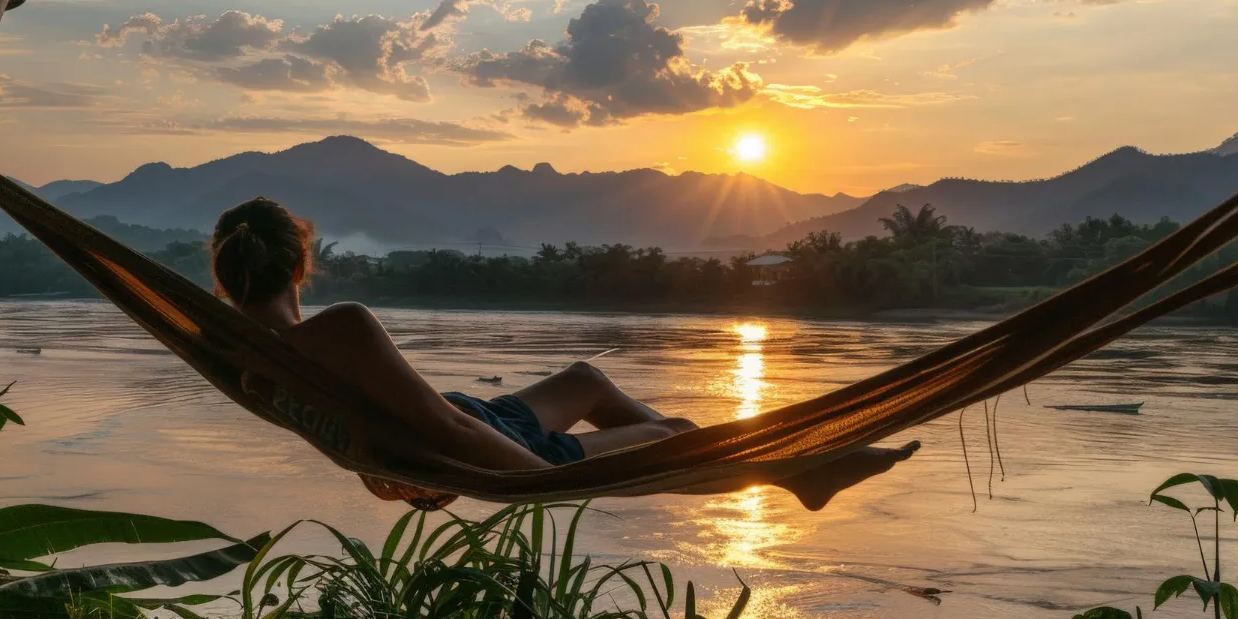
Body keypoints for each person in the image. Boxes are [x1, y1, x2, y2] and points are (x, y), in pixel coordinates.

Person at [210, 197, 919, 504]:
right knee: (671, 437)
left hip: (478, 419)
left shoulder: (234, 351)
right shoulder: (341, 325)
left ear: (225, 273)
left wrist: (383, 470)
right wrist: (538, 480)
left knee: (585, 376)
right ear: (303, 262)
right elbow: (446, 430)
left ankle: (788, 471)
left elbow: (356, 433)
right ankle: (794, 475)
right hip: (483, 444)